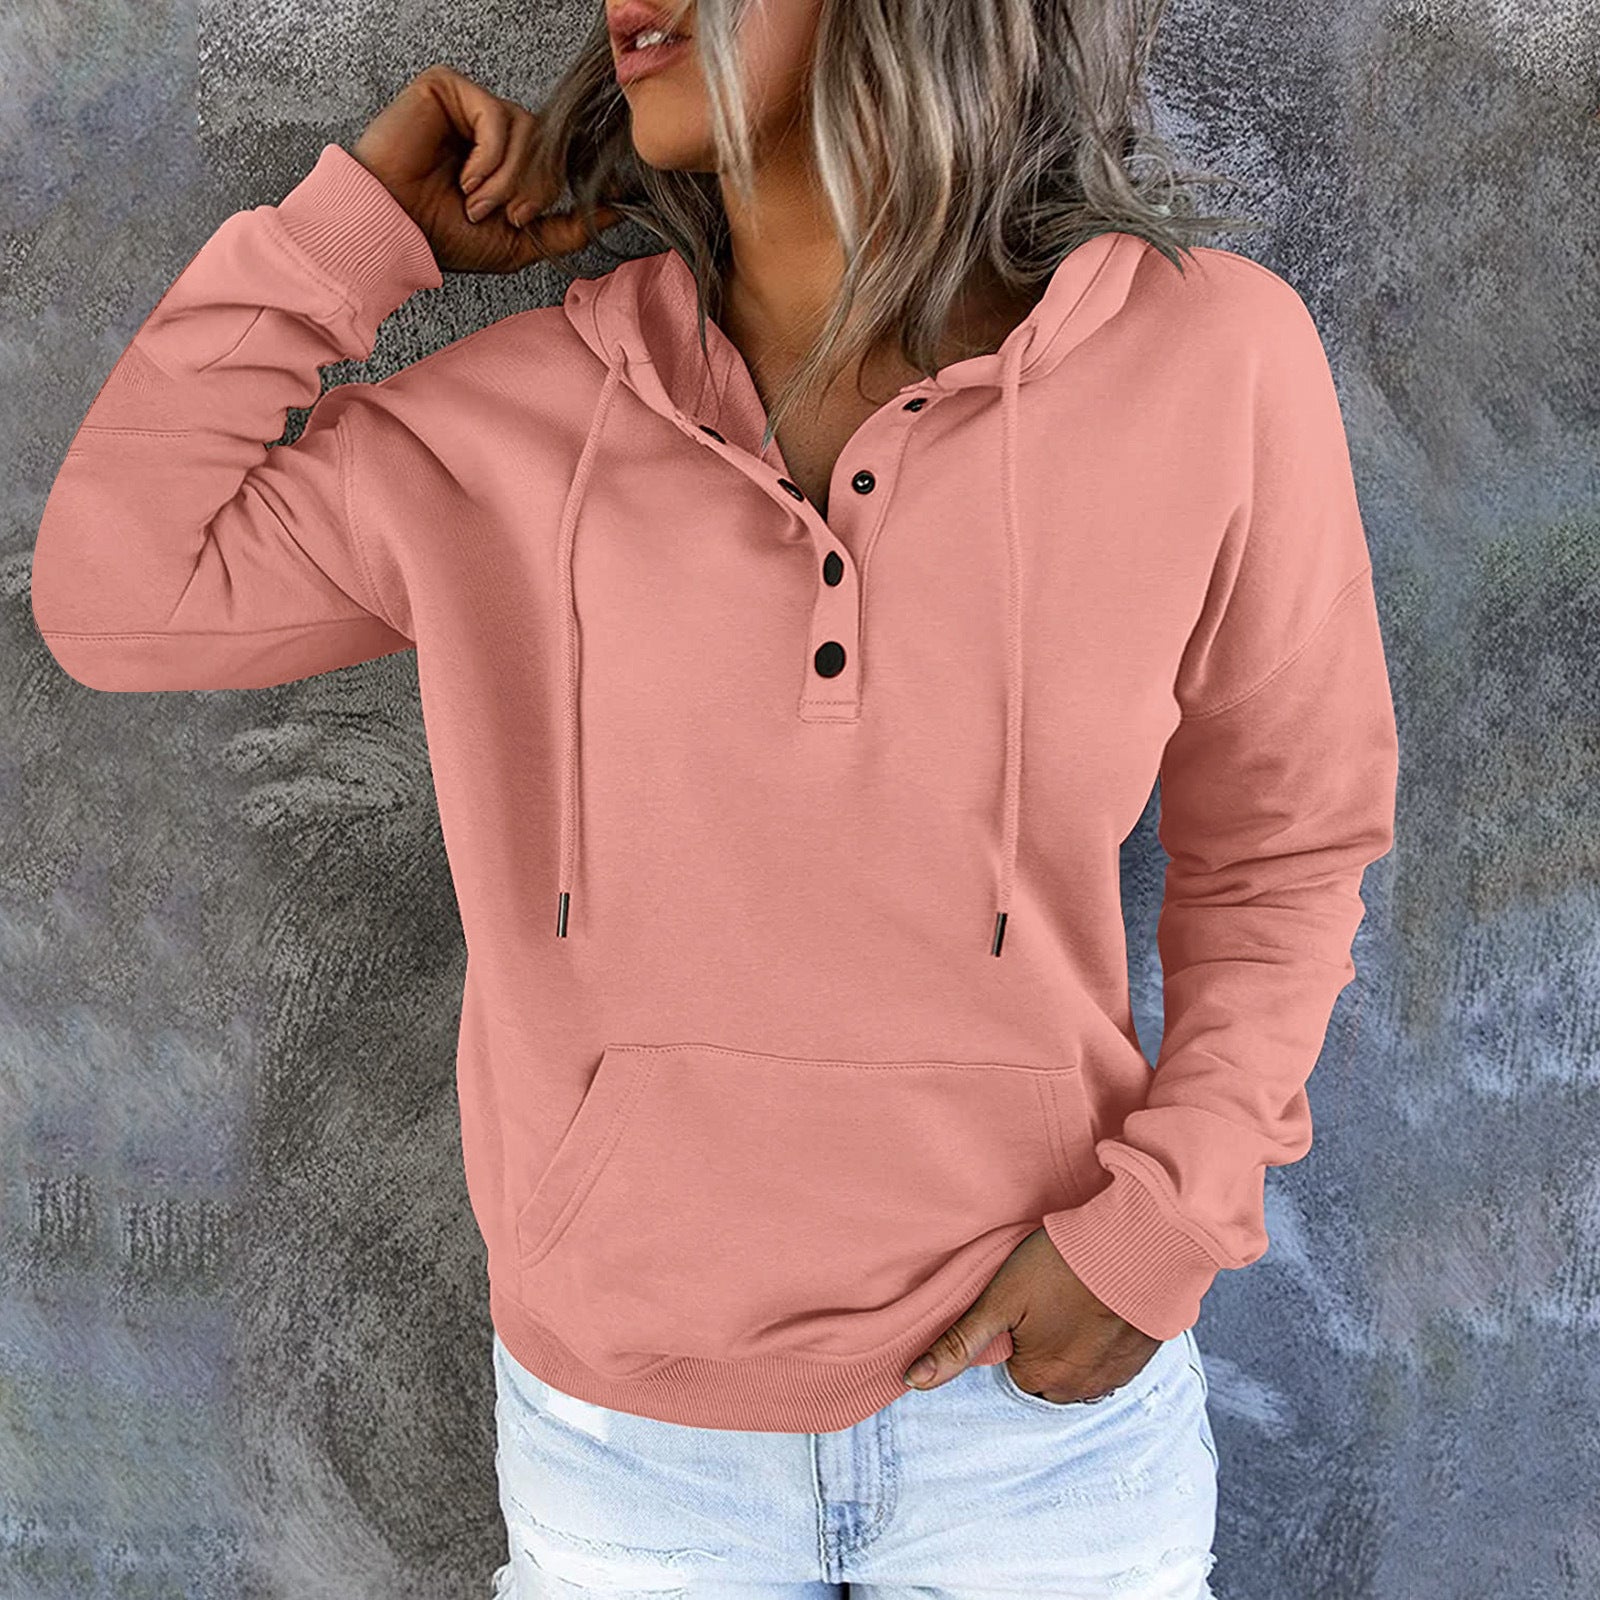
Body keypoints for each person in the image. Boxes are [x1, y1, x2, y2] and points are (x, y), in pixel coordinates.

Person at [29, 0, 1400, 1593]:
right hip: (630, 1448)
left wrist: (1166, 1226)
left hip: (1039, 1419)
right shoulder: (511, 421)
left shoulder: (1209, 355)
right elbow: (118, 599)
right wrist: (345, 243)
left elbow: (1288, 842)